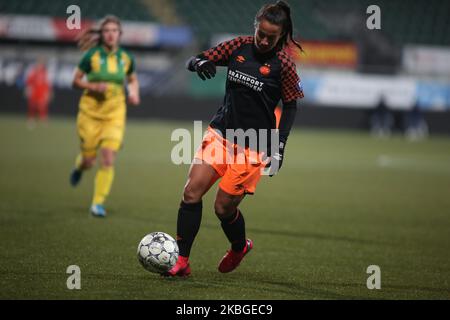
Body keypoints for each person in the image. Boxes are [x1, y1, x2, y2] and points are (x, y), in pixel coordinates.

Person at [166, 1, 304, 277]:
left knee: (222, 208)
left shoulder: (284, 64)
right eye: (260, 33)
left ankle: (239, 246)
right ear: (255, 26)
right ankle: (182, 261)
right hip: (221, 133)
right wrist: (199, 62)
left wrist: (280, 145)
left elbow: (290, 105)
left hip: (254, 145)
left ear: (281, 35)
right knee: (191, 193)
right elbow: (196, 59)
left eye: (271, 37)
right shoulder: (238, 46)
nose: (263, 40)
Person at [70, 15, 140, 217]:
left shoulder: (126, 58)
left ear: (119, 34)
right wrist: (92, 86)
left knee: (108, 157)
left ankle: (97, 203)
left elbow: (133, 80)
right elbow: (75, 81)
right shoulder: (91, 56)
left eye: (114, 31)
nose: (111, 34)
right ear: (102, 34)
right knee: (89, 161)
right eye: (107, 30)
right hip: (90, 112)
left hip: (115, 113)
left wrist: (134, 93)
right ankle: (79, 167)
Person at [25, 60, 52, 128]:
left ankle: (43, 120)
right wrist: (28, 89)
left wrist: (47, 93)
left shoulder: (45, 73)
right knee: (32, 106)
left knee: (42, 107)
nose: (40, 66)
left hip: (41, 92)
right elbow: (29, 82)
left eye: (41, 64)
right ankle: (31, 120)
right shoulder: (33, 72)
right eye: (39, 64)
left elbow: (47, 84)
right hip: (34, 92)